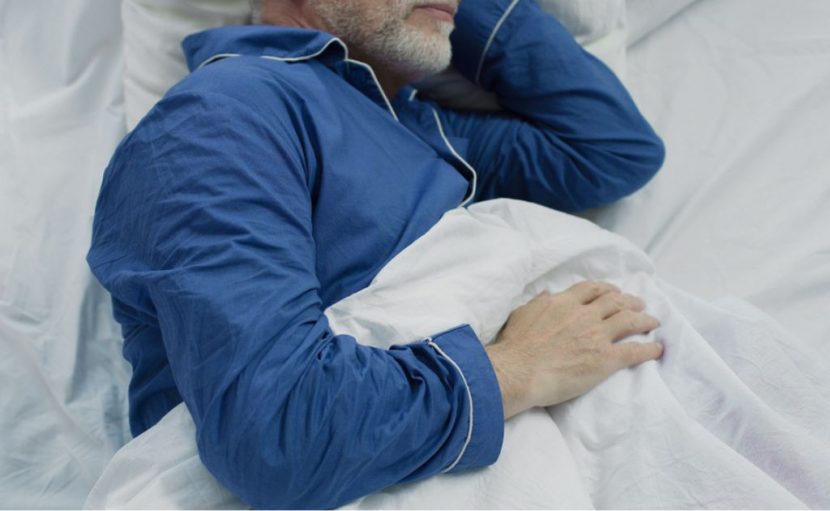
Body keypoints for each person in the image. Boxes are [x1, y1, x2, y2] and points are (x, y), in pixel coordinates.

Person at [87, 0, 665, 507]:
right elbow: (278, 435)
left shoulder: (420, 125)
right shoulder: (225, 111)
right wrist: (514, 368)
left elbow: (610, 148)